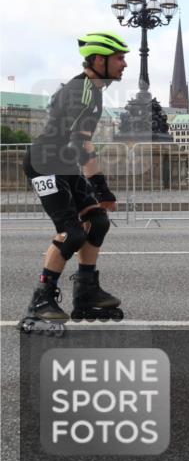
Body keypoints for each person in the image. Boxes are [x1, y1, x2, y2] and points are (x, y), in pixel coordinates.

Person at [19, 32, 129, 334]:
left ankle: (86, 292)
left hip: (63, 163)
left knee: (98, 221)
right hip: (45, 162)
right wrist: (102, 188)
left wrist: (100, 192)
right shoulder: (81, 91)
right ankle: (40, 301)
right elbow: (81, 144)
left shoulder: (91, 91)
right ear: (99, 59)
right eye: (119, 58)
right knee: (72, 233)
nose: (125, 64)